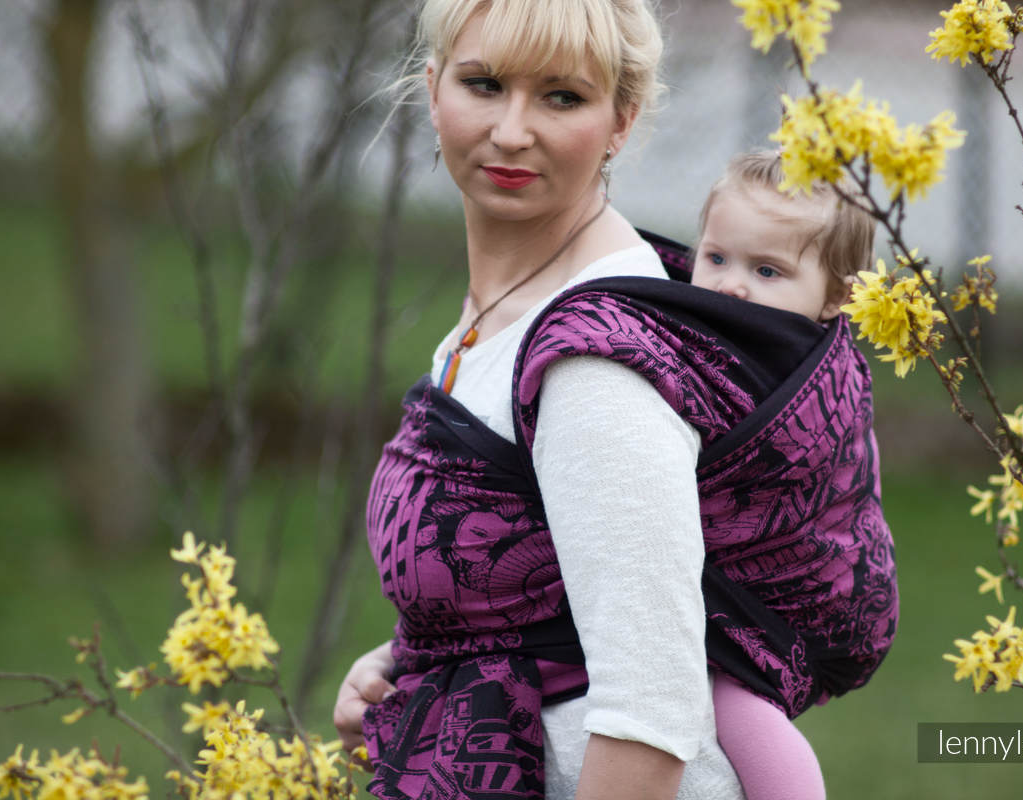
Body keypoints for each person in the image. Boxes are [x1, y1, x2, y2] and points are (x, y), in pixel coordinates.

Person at [333, 2, 898, 798]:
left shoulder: (596, 366)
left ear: (621, 121)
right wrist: (408, 664)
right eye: (484, 84)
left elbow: (652, 710)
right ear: (434, 91)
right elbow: (542, 593)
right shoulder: (512, 311)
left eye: (562, 97)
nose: (512, 129)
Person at [687, 149, 883, 800]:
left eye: (767, 270)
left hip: (780, 605)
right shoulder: (699, 334)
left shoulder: (794, 371)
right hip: (723, 600)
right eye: (716, 258)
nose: (732, 286)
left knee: (731, 703)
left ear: (837, 297)